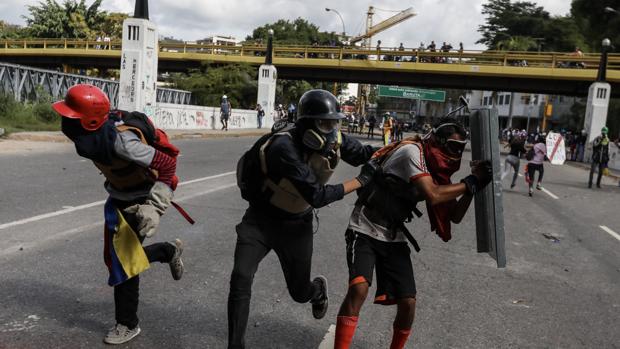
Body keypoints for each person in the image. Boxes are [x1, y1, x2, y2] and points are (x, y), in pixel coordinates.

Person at [228, 89, 378, 349]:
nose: (331, 131)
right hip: (260, 222)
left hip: (297, 227)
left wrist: (394, 151)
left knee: (299, 293)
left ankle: (317, 291)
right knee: (240, 277)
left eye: (334, 123)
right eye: (324, 123)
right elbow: (317, 196)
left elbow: (364, 154)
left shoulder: (335, 138)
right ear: (307, 124)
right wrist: (360, 181)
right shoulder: (283, 147)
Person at [333, 118, 492, 349]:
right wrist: (471, 182)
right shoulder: (412, 153)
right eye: (452, 146)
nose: (456, 153)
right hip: (365, 226)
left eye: (461, 148)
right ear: (437, 141)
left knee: (408, 303)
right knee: (359, 288)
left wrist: (475, 187)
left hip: (393, 235)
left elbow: (455, 215)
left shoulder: (436, 170)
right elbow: (434, 195)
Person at [53, 84, 185, 344]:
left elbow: (168, 165)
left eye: (72, 118)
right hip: (117, 196)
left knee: (124, 265)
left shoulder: (123, 142)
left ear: (90, 121)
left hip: (140, 201)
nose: (66, 123)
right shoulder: (92, 137)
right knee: (116, 260)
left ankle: (127, 323)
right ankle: (167, 251)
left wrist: (155, 206)